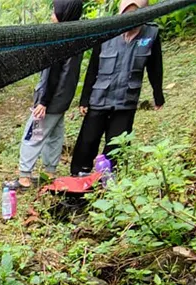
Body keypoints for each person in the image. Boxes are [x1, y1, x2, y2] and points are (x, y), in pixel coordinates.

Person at [70, 0, 163, 176]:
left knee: (117, 143)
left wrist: (158, 95)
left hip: (126, 100)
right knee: (88, 140)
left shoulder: (151, 34)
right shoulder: (107, 31)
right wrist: (85, 98)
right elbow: (93, 67)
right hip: (100, 96)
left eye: (135, 15)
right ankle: (78, 175)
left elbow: (155, 67)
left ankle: (108, 180)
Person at [16, 0, 85, 189]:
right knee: (55, 135)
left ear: (64, 13)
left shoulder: (58, 40)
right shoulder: (76, 36)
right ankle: (49, 172)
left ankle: (24, 176)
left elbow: (52, 74)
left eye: (55, 11)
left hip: (49, 101)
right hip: (62, 100)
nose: (52, 14)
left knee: (33, 135)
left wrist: (43, 102)